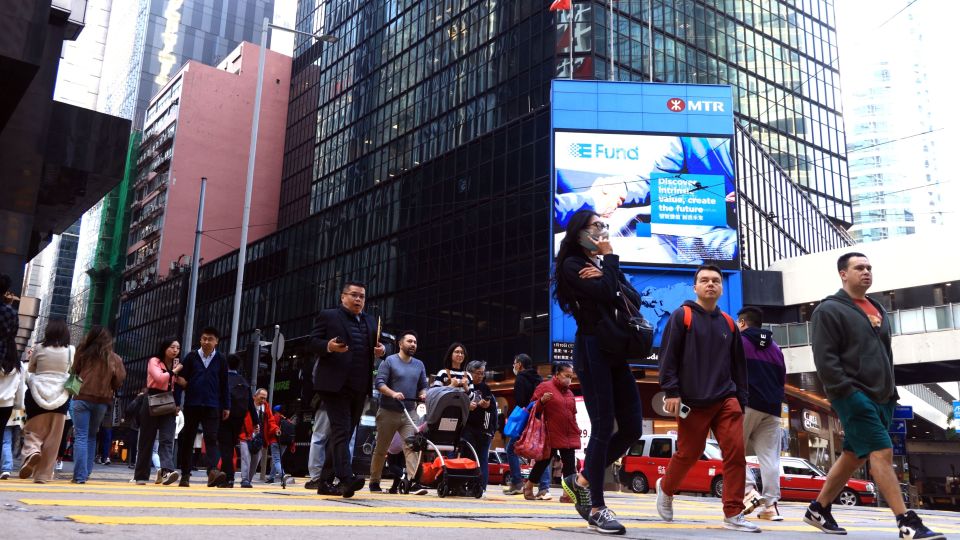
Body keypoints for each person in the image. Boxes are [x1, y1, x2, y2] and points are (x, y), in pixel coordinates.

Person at [804, 253, 943, 539]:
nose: (866, 272)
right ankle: (906, 521)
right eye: (859, 268)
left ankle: (818, 509)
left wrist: (891, 392)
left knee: (853, 456)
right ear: (843, 274)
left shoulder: (877, 307)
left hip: (882, 397)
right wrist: (846, 391)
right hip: (853, 395)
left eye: (869, 268)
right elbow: (825, 359)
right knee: (881, 451)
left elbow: (884, 355)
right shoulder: (828, 310)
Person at [553, 210, 644, 534]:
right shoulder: (571, 265)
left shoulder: (602, 265)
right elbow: (608, 293)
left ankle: (581, 480)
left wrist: (608, 271)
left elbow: (632, 296)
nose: (602, 231)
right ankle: (596, 507)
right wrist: (610, 262)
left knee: (632, 427)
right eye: (596, 226)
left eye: (603, 226)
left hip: (616, 348)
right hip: (592, 348)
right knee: (604, 423)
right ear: (578, 231)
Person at [654, 264, 757, 532]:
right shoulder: (682, 316)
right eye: (704, 280)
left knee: (736, 454)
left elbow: (739, 366)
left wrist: (741, 399)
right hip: (692, 400)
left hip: (726, 398)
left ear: (722, 288)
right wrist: (672, 391)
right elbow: (668, 356)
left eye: (715, 281)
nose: (710, 284)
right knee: (690, 453)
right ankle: (666, 488)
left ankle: (733, 513)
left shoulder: (729, 323)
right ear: (695, 287)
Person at [307, 281, 386, 498]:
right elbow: (312, 342)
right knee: (341, 431)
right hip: (334, 385)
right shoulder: (329, 316)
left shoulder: (370, 321)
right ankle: (346, 478)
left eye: (362, 296)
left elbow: (375, 347)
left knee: (345, 433)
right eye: (354, 295)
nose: (358, 299)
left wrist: (380, 350)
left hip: (359, 387)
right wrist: (329, 347)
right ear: (343, 297)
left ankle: (324, 482)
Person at [737, 306, 786, 521]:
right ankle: (771, 506)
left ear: (742, 322)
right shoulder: (776, 348)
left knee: (732, 449)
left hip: (747, 404)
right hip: (773, 409)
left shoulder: (739, 342)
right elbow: (782, 378)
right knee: (770, 459)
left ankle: (749, 491)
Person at [368, 330, 428, 494]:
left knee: (412, 447)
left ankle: (413, 482)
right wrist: (393, 393)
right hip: (388, 411)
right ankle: (374, 481)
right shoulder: (389, 361)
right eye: (409, 341)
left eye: (415, 342)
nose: (413, 344)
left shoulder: (419, 364)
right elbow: (379, 383)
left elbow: (424, 385)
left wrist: (423, 393)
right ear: (400, 344)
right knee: (381, 448)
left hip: (409, 412)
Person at [174, 326, 230, 487]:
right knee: (188, 439)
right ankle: (185, 475)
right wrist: (177, 402)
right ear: (200, 340)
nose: (206, 341)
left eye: (210, 339)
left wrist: (226, 406)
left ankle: (212, 471)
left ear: (216, 342)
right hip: (192, 404)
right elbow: (178, 380)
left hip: (213, 405)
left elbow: (224, 384)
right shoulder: (191, 357)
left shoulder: (221, 359)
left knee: (211, 438)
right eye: (204, 338)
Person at [70, 326, 126, 484]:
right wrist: (111, 386)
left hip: (82, 397)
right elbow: (120, 379)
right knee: (91, 436)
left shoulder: (82, 353)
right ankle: (86, 474)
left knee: (80, 436)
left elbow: (74, 372)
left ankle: (79, 476)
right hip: (102, 401)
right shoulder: (114, 358)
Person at [21, 320, 72, 482]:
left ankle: (32, 451)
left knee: (33, 430)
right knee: (54, 438)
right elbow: (71, 369)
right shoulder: (71, 350)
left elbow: (31, 368)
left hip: (37, 394)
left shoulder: (39, 348)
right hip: (61, 397)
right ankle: (43, 476)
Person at [524, 363, 581, 501]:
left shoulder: (570, 393)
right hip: (550, 433)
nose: (569, 379)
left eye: (571, 376)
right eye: (566, 375)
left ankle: (567, 494)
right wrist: (541, 402)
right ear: (557, 374)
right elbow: (531, 408)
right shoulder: (545, 387)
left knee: (569, 464)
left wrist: (577, 429)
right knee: (543, 462)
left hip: (569, 433)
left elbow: (572, 414)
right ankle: (529, 486)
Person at [133, 338, 183, 486]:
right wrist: (174, 372)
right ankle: (141, 475)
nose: (175, 350)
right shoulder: (154, 361)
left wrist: (178, 403)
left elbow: (180, 384)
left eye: (178, 348)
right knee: (146, 439)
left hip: (169, 402)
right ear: (164, 348)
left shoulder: (176, 364)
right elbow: (159, 378)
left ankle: (166, 471)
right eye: (172, 347)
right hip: (152, 400)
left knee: (167, 438)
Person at [503, 353, 552, 499]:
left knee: (510, 449)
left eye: (515, 363)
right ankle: (544, 487)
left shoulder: (521, 378)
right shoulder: (539, 379)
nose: (514, 366)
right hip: (539, 419)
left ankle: (517, 482)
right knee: (540, 452)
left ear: (519, 364)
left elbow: (520, 401)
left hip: (525, 420)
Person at [218, 353, 257, 488]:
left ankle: (228, 478)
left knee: (225, 448)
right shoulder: (244, 381)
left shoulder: (224, 379)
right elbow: (251, 404)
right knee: (230, 447)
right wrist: (256, 421)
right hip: (239, 419)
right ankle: (228, 477)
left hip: (224, 416)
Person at [461, 360, 497, 491]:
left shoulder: (485, 388)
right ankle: (465, 485)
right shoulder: (464, 386)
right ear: (469, 373)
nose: (480, 376)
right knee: (468, 457)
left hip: (484, 429)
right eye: (478, 373)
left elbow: (488, 405)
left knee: (482, 459)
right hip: (468, 428)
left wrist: (482, 403)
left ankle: (481, 488)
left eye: (482, 373)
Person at [0, 315, 25, 480]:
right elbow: (20, 390)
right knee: (4, 437)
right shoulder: (19, 367)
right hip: (7, 405)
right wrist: (19, 408)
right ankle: (5, 467)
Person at [240, 387, 268, 488]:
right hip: (245, 436)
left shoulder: (265, 407)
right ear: (254, 397)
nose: (263, 400)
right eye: (261, 398)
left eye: (265, 398)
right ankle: (245, 480)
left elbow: (271, 420)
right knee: (246, 458)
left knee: (255, 461)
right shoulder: (246, 405)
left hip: (258, 438)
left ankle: (248, 480)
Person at [267, 404, 295, 487]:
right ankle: (271, 477)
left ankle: (283, 475)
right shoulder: (287, 420)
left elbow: (271, 429)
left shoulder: (275, 417)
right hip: (285, 443)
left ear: (275, 411)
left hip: (275, 441)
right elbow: (292, 434)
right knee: (277, 460)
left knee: (276, 460)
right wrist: (292, 445)